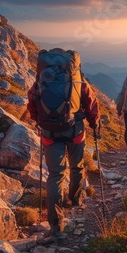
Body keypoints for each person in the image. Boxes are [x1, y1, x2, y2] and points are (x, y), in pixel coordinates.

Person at [27, 49, 100, 240]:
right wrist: (94, 124)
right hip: (75, 132)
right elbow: (91, 103)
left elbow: (32, 102)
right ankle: (74, 198)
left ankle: (56, 225)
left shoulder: (42, 79)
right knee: (76, 166)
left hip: (49, 134)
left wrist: (40, 121)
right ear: (73, 64)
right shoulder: (77, 80)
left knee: (55, 175)